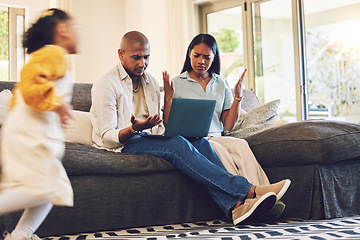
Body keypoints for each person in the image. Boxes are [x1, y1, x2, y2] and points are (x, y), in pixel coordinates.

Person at [90, 30, 290, 225]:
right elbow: (108, 137)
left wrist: (154, 123)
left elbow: (160, 125)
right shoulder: (106, 85)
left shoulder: (149, 80)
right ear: (121, 54)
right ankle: (249, 190)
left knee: (199, 141)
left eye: (146, 57)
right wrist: (135, 129)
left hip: (149, 137)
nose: (143, 63)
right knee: (176, 144)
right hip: (122, 144)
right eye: (136, 58)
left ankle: (236, 207)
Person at [163, 33, 287, 218]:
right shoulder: (177, 83)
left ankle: (267, 197)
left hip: (217, 134)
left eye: (207, 57)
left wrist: (237, 97)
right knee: (219, 150)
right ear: (189, 54)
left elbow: (228, 125)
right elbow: (167, 123)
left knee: (241, 145)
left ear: (214, 58)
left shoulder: (221, 83)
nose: (201, 61)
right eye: (197, 55)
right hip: (194, 139)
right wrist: (168, 97)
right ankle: (245, 200)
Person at [0, 9, 79, 240]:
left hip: (27, 135)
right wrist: (57, 104)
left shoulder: (52, 57)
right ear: (62, 29)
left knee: (54, 186)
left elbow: (23, 96)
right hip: (28, 137)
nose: (79, 34)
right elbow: (30, 77)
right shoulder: (53, 53)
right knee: (42, 189)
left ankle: (20, 235)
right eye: (76, 27)